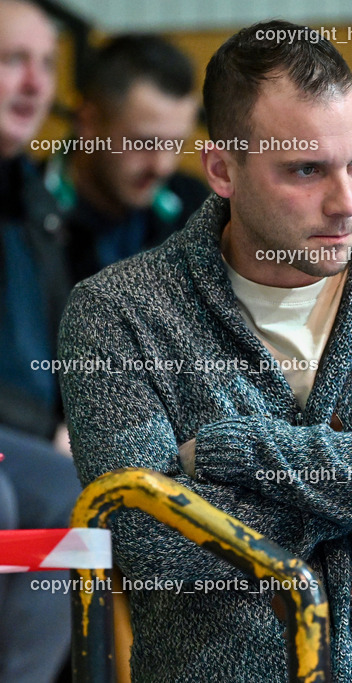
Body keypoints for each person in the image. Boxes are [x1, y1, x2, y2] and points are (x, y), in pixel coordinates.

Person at [59, 20, 352, 682]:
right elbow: (152, 545)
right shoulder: (117, 313)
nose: (346, 202)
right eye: (305, 170)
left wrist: (227, 454)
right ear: (221, 168)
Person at [0, 1, 83, 680]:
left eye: (47, 65)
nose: (34, 84)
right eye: (11, 61)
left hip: (25, 437)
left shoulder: (38, 201)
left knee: (77, 495)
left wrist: (72, 418)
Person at [45, 34, 206, 283]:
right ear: (88, 123)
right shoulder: (22, 211)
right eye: (144, 143)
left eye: (176, 144)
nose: (163, 166)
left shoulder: (195, 206)